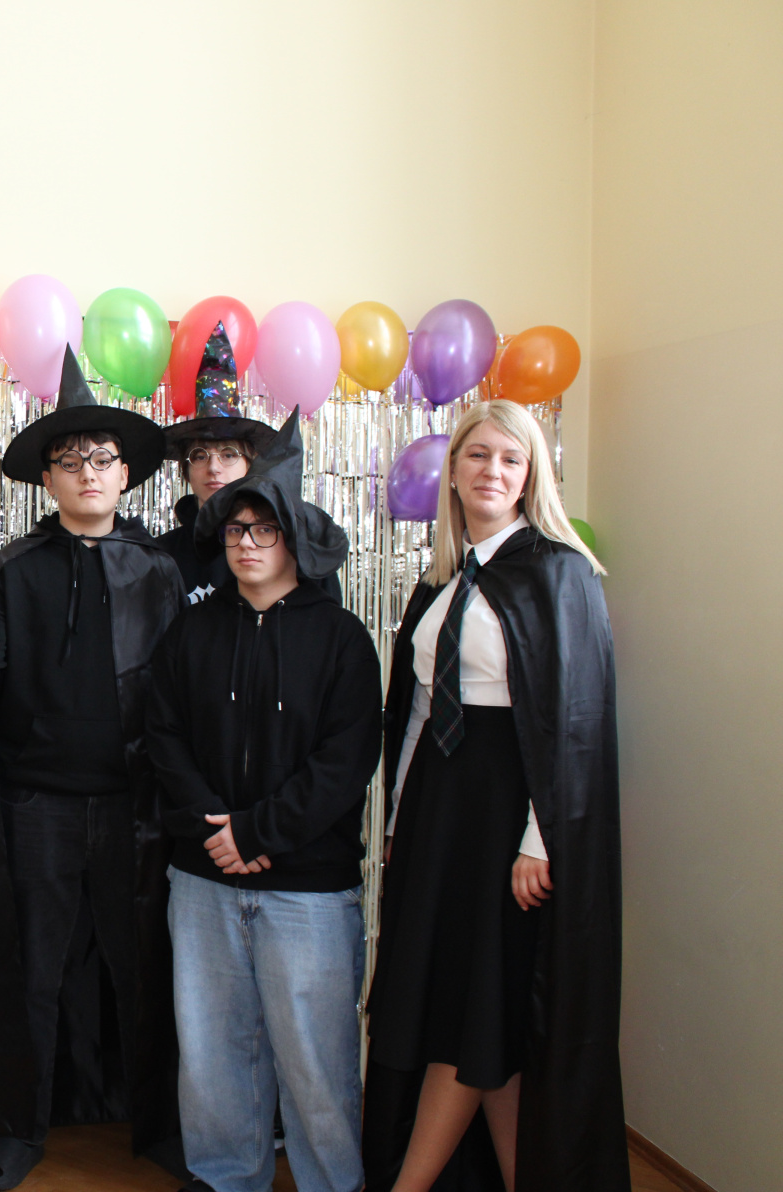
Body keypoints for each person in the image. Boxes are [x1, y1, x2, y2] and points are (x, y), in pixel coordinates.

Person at [0, 346, 187, 1189]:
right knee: (26, 970)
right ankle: (16, 1130)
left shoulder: (160, 569)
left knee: (144, 968)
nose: (88, 474)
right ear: (49, 480)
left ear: (124, 475)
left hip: (136, 805)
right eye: (71, 462)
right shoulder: (17, 567)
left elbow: (182, 683)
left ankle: (162, 1127)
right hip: (37, 805)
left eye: (102, 460)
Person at [362, 399, 627, 1192]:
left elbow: (572, 723)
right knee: (474, 1014)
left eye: (512, 459)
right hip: (439, 817)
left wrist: (540, 841)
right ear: (453, 471)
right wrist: (399, 821)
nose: (493, 471)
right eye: (478, 455)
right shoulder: (440, 583)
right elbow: (415, 713)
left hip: (511, 816)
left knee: (478, 1014)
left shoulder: (558, 571)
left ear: (531, 476)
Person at [147, 409, 381, 1192]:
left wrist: (257, 832)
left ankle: (331, 1184)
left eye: (264, 530)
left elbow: (344, 763)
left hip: (307, 888)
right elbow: (164, 737)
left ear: (294, 541)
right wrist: (216, 833)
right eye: (235, 531)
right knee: (212, 1056)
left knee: (315, 1062)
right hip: (203, 880)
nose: (246, 544)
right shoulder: (190, 633)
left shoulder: (342, 639)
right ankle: (225, 1180)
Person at [158, 324, 339, 605]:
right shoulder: (162, 556)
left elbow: (327, 625)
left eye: (229, 454)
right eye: (200, 456)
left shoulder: (295, 550)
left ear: (250, 465)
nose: (214, 468)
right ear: (186, 469)